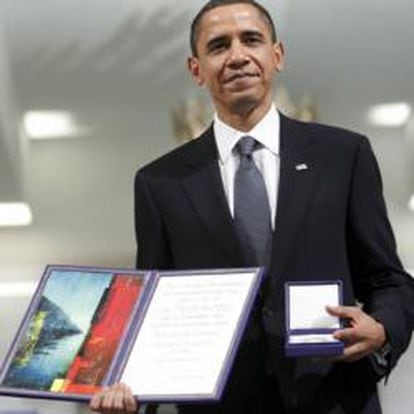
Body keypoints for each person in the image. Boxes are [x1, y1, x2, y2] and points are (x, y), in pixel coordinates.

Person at [90, 1, 414, 413]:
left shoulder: (343, 155)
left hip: (333, 397)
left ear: (276, 55)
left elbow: (389, 279)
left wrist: (383, 327)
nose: (238, 56)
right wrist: (129, 386)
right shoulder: (160, 184)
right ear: (197, 69)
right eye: (219, 46)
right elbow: (153, 310)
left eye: (252, 40)